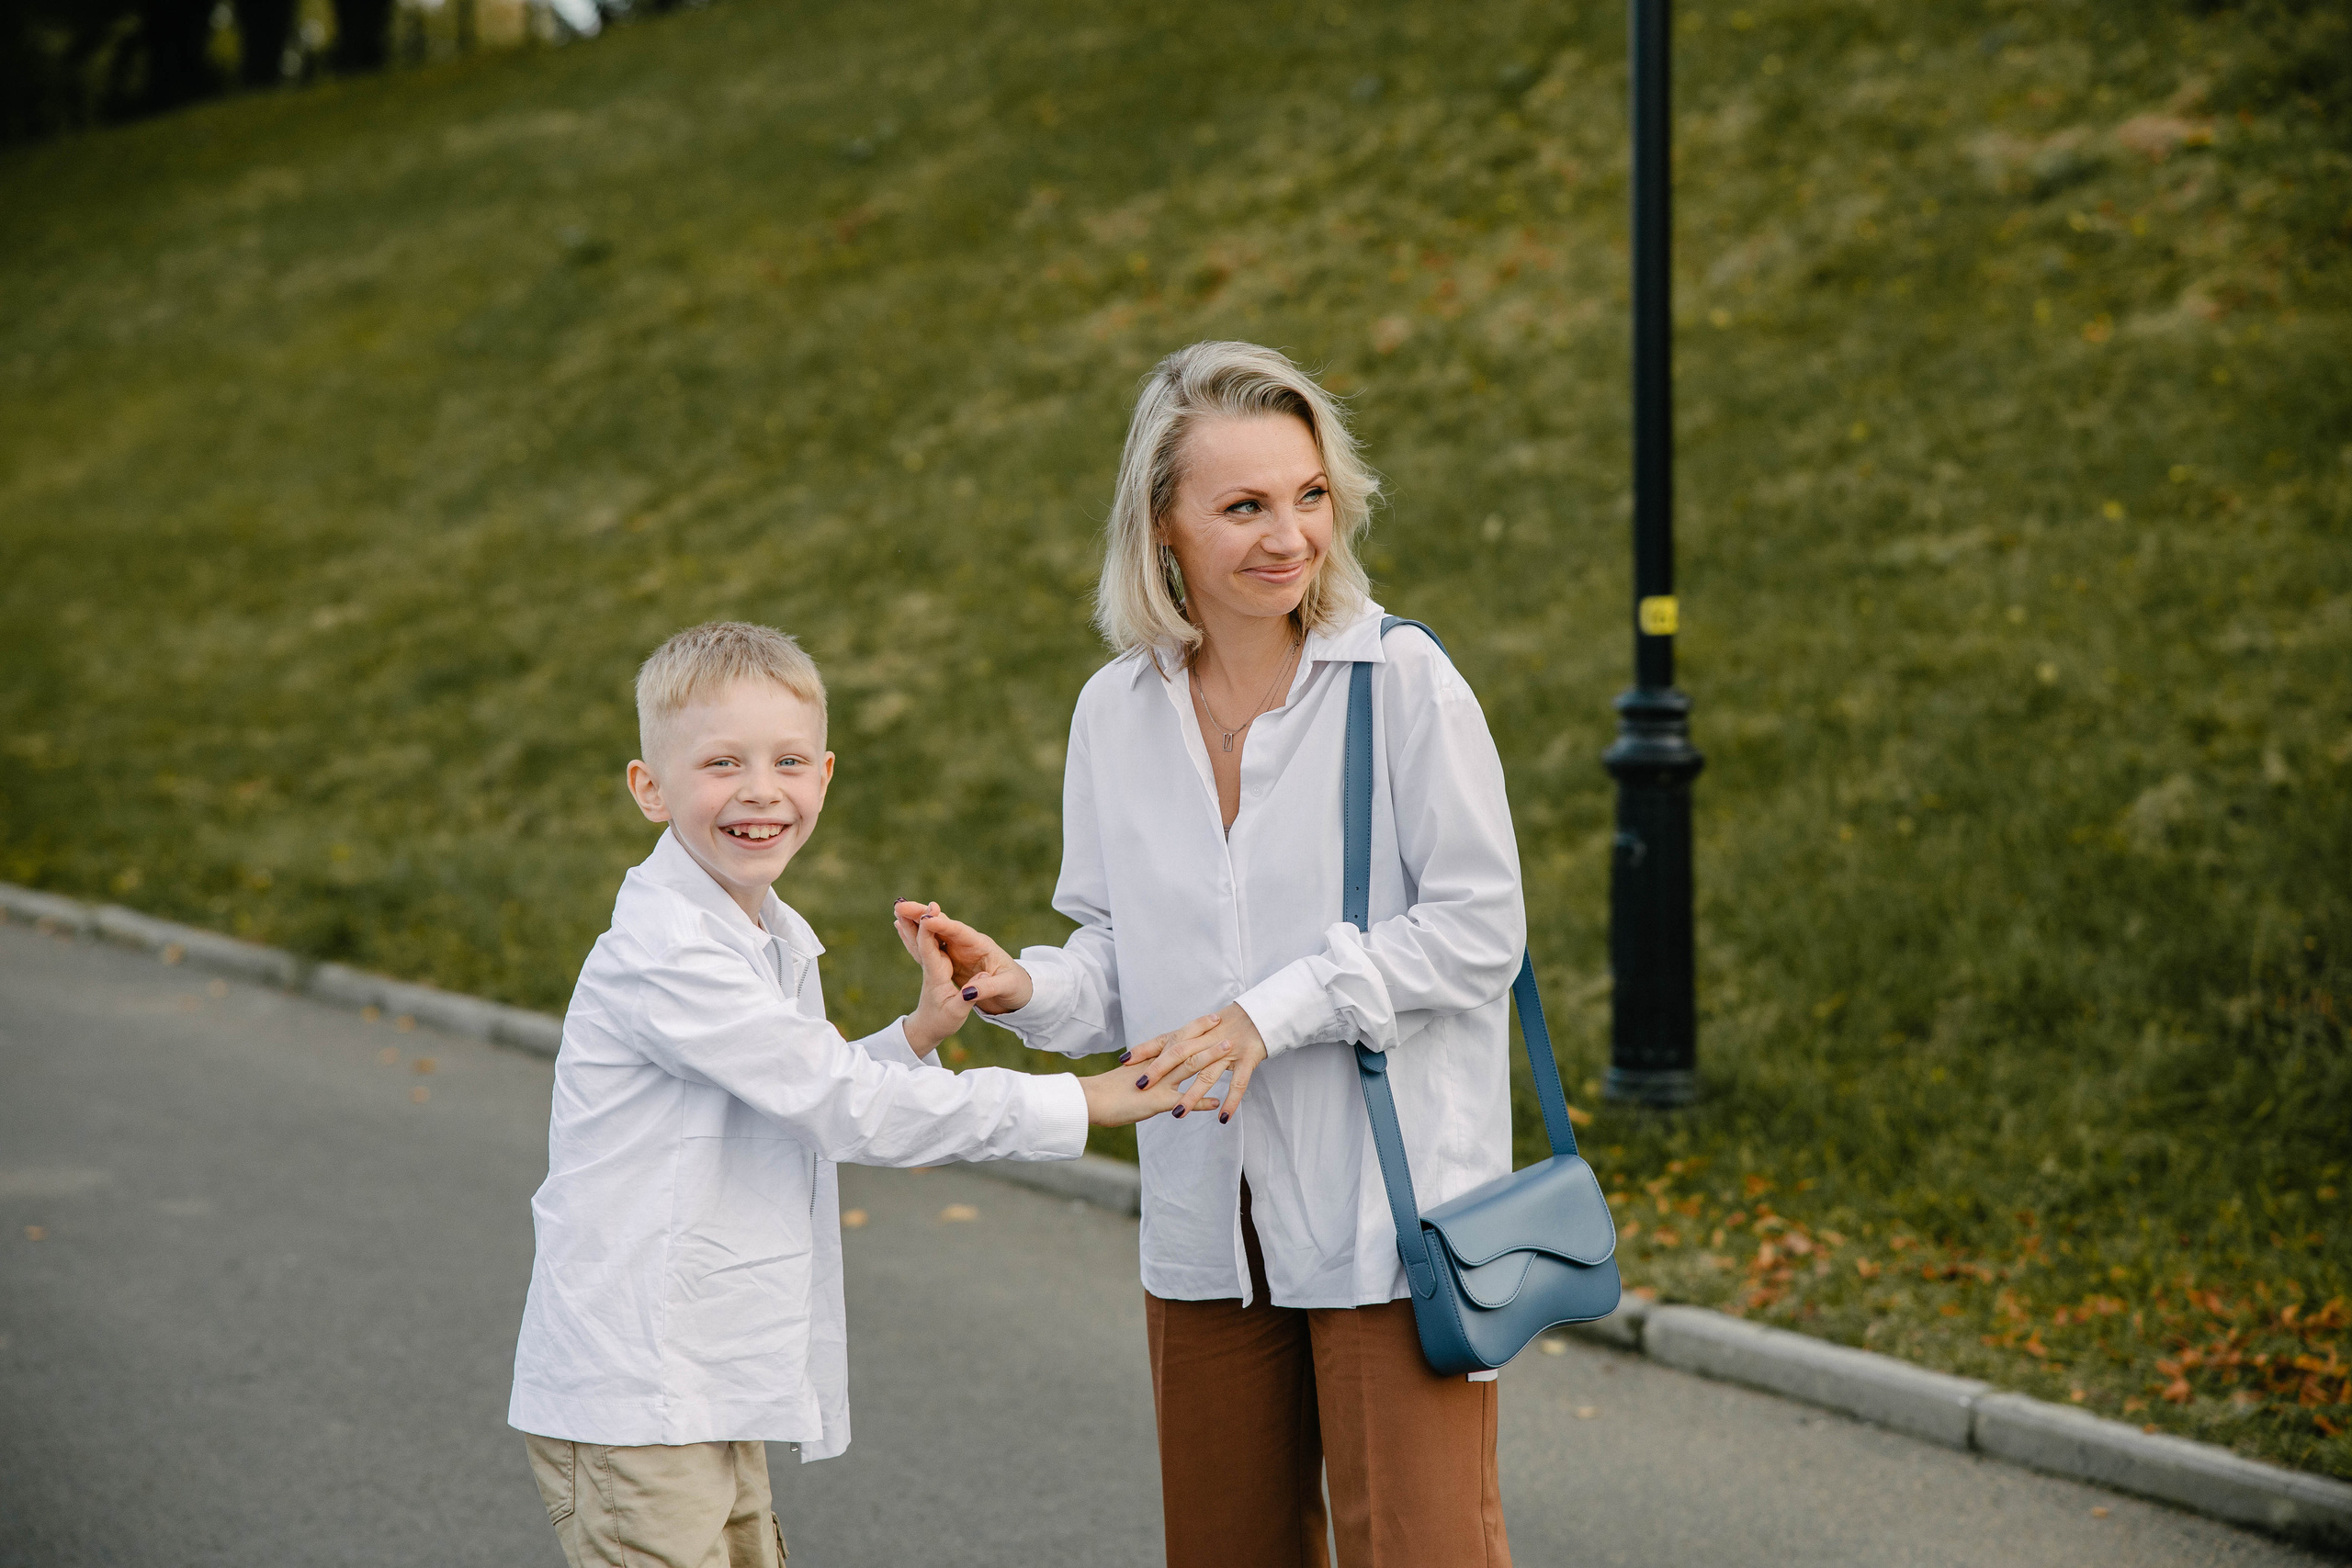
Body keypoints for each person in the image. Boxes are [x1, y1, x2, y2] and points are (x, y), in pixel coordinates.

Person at [905, 342, 1526, 1567]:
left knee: (1423, 1547)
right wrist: (1024, 986)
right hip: (1207, 1210)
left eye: (1307, 494)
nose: (1288, 533)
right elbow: (1125, 959)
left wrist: (1272, 1010)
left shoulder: (1401, 681)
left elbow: (1479, 927)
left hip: (1384, 1211)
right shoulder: (1116, 709)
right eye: (1244, 505)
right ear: (1163, 524)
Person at [507, 620, 1229, 1568]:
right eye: (721, 763)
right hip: (640, 1388)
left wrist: (916, 1038)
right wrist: (1081, 1103)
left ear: (826, 776)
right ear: (650, 788)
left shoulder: (754, 929)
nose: (760, 790)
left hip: (704, 1381)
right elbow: (836, 1102)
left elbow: (795, 1091)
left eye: (788, 761)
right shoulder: (667, 951)